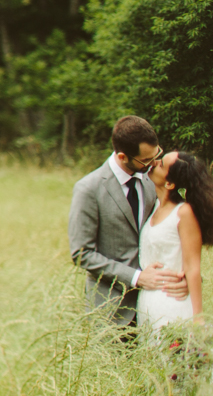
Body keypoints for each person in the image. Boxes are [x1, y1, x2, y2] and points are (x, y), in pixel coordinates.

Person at [68, 116, 188, 328]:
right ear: (122, 156)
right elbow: (81, 254)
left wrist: (187, 275)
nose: (153, 164)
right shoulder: (89, 189)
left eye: (156, 155)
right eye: (145, 160)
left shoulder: (155, 180)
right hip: (111, 310)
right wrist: (136, 277)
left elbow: (174, 231)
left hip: (158, 306)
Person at [137, 150, 213, 331]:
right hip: (147, 303)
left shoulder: (183, 213)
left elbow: (192, 266)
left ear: (169, 183)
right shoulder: (155, 206)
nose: (155, 162)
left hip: (172, 303)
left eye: (161, 164)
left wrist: (198, 318)